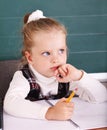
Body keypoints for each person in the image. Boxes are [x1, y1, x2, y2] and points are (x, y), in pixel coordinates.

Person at [4, 10, 107, 121]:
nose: (56, 59)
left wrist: (79, 76)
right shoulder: (23, 77)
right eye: (46, 53)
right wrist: (49, 113)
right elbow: (10, 103)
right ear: (30, 58)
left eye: (61, 51)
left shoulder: (66, 76)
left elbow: (101, 97)